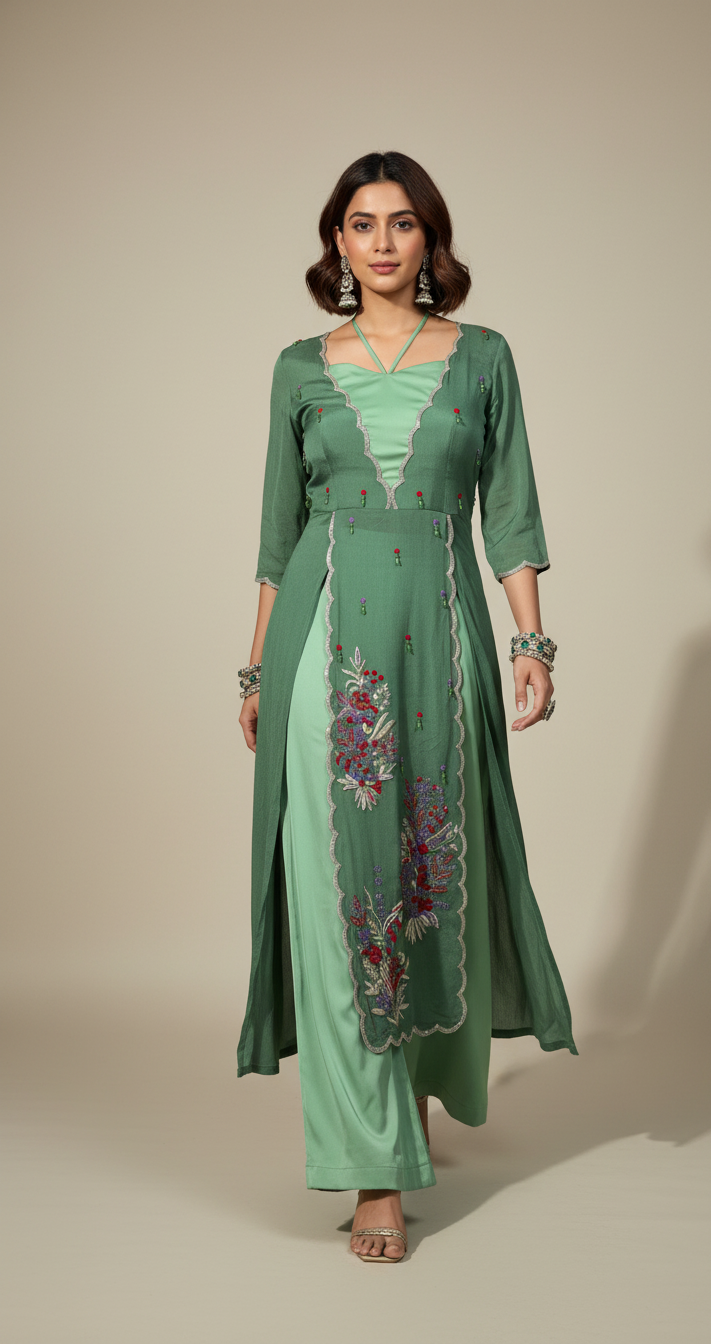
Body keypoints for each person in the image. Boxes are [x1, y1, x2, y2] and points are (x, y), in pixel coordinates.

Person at [236, 151, 577, 1263]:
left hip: (442, 637)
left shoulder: (484, 358)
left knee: (432, 873)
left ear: (431, 238)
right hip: (323, 646)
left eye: (401, 223)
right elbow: (278, 537)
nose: (382, 242)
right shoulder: (299, 369)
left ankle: (413, 1088)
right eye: (360, 223)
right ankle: (372, 1169)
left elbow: (510, 512)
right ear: (336, 242)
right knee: (342, 895)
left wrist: (531, 643)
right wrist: (256, 670)